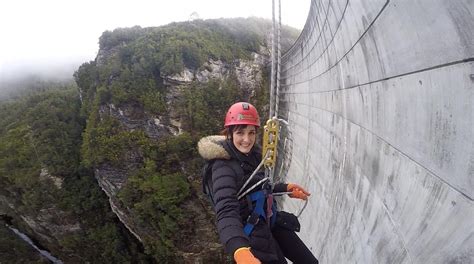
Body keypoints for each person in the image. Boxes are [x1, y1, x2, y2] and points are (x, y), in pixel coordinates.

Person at [198, 102, 319, 264]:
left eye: (251, 133)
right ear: (230, 133)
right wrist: (239, 249)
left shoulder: (253, 154)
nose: (247, 140)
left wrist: (286, 188)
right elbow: (226, 210)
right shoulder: (222, 168)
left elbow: (257, 186)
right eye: (240, 133)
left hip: (269, 218)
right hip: (251, 233)